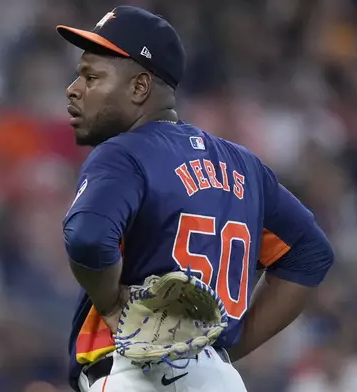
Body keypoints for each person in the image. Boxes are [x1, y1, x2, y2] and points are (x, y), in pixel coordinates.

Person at [58, 5, 335, 392]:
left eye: (91, 76)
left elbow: (87, 238)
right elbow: (310, 255)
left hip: (133, 375)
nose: (74, 89)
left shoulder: (123, 153)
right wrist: (222, 350)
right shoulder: (245, 167)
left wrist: (111, 305)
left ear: (139, 87)